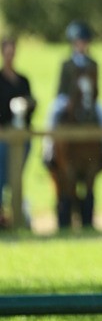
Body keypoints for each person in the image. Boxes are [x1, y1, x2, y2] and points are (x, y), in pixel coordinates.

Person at [42, 22, 102, 171]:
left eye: (84, 42)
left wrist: (92, 100)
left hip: (88, 101)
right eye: (79, 42)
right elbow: (61, 87)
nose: (82, 45)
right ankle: (48, 149)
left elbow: (96, 89)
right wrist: (67, 100)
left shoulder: (93, 64)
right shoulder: (66, 64)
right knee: (53, 111)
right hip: (66, 98)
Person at [0, 37, 37, 229]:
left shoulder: (22, 80)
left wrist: (27, 104)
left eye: (12, 52)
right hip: (3, 137)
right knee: (2, 176)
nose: (10, 56)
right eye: (7, 52)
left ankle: (16, 215)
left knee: (17, 176)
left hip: (21, 136)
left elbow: (33, 103)